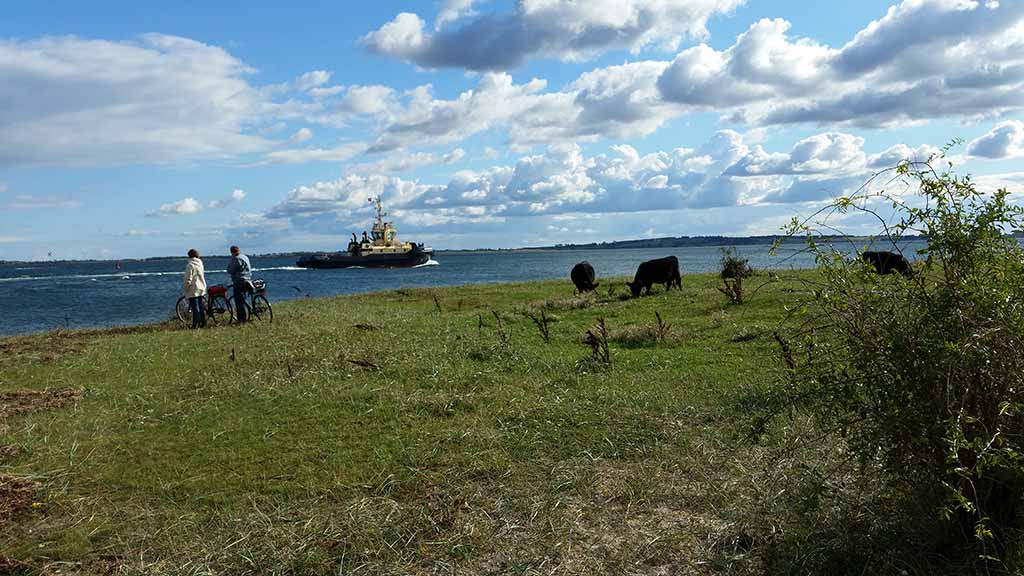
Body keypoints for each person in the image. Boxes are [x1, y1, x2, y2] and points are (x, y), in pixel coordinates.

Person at [227, 245, 252, 323]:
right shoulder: (245, 257)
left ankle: (241, 319)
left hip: (239, 281)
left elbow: (231, 270)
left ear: (232, 252)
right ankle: (248, 313)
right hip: (248, 279)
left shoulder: (236, 259)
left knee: (239, 301)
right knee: (243, 299)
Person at [183, 249, 207, 329]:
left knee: (195, 307)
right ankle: (203, 322)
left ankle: (195, 324)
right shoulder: (200, 263)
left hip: (193, 288)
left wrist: (186, 287)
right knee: (201, 306)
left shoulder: (190, 265)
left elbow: (188, 278)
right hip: (201, 287)